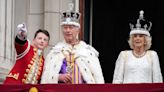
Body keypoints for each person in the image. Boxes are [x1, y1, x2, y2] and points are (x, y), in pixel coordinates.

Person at [41, 6, 104, 84]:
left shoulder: (88, 52)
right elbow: (45, 78)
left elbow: (98, 79)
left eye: (71, 27)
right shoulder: (54, 52)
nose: (68, 30)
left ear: (78, 30)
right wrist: (58, 77)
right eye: (65, 27)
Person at [112, 10, 163, 84]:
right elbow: (117, 80)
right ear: (132, 39)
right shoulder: (124, 55)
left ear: (145, 40)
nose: (137, 38)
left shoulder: (152, 55)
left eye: (141, 36)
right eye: (135, 36)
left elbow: (157, 80)